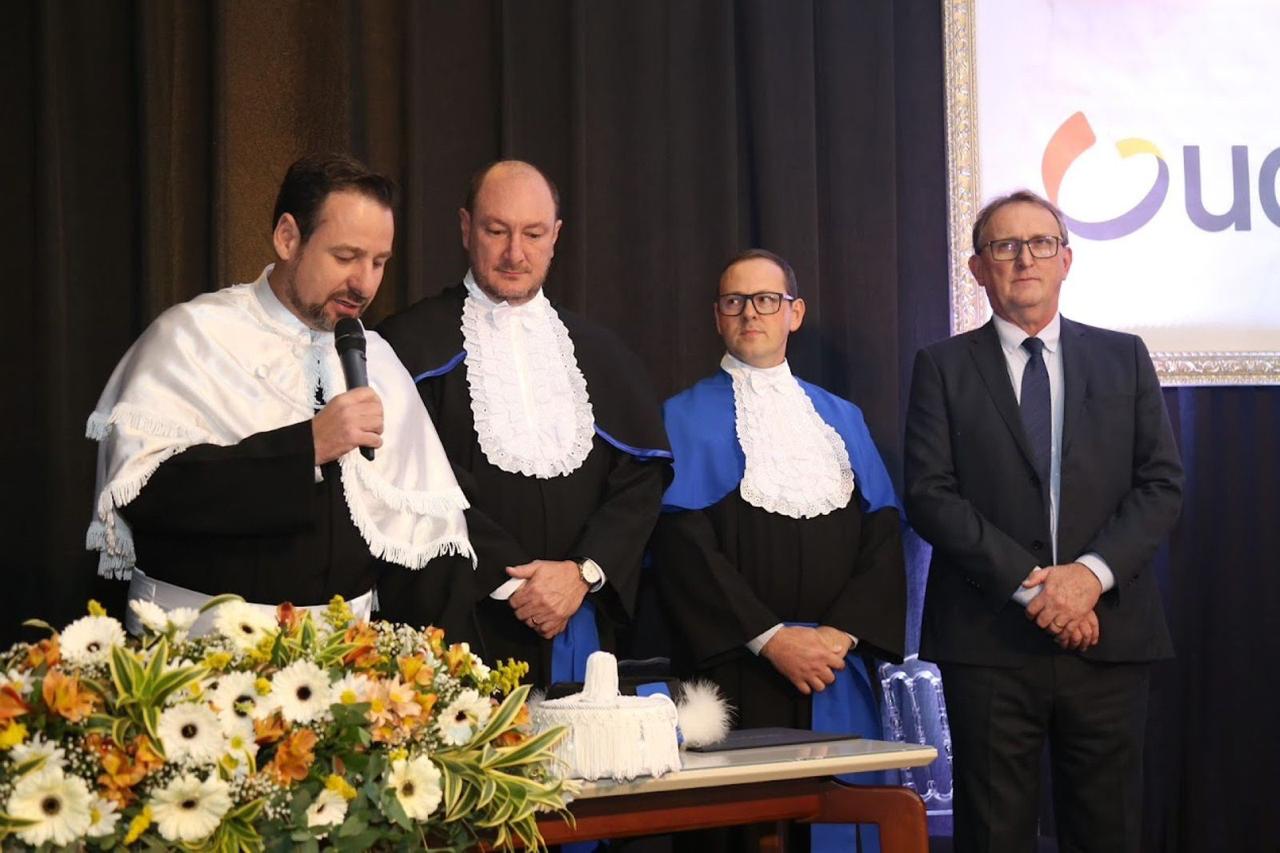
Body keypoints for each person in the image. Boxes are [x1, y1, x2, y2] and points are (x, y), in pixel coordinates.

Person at [86, 153, 476, 638]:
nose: (364, 283)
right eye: (346, 257)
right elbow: (145, 496)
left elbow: (421, 543)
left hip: (344, 663)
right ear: (288, 237)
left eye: (379, 263)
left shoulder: (377, 359)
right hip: (199, 654)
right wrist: (306, 446)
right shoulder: (193, 337)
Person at [905, 190, 1184, 853]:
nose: (1024, 258)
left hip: (1107, 637)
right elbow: (930, 495)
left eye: (1040, 243)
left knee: (1109, 833)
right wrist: (1037, 590)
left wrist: (1087, 579)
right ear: (978, 268)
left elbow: (1161, 485)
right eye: (1005, 246)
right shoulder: (941, 367)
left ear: (1066, 259)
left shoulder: (1124, 357)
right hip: (989, 643)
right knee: (993, 835)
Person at [377, 160, 671, 687]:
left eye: (533, 234)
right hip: (457, 621)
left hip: (580, 621)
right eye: (497, 231)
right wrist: (516, 584)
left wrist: (581, 573)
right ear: (466, 228)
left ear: (555, 236)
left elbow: (640, 479)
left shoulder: (603, 353)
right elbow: (409, 481)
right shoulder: (404, 345)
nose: (515, 253)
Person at [654, 249, 906, 852]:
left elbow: (883, 533)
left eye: (766, 300)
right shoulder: (680, 416)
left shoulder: (843, 417)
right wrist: (770, 638)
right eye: (735, 301)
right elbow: (682, 547)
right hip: (736, 672)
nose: (751, 314)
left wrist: (839, 636)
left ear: (795, 313)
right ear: (717, 316)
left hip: (834, 671)